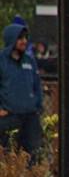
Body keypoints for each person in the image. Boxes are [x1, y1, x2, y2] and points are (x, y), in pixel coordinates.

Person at [0, 22, 42, 161]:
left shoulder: (30, 61)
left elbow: (37, 85)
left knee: (34, 156)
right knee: (8, 157)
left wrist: (37, 105)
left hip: (30, 117)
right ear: (11, 39)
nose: (24, 41)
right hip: (9, 118)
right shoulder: (2, 61)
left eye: (25, 37)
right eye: (20, 38)